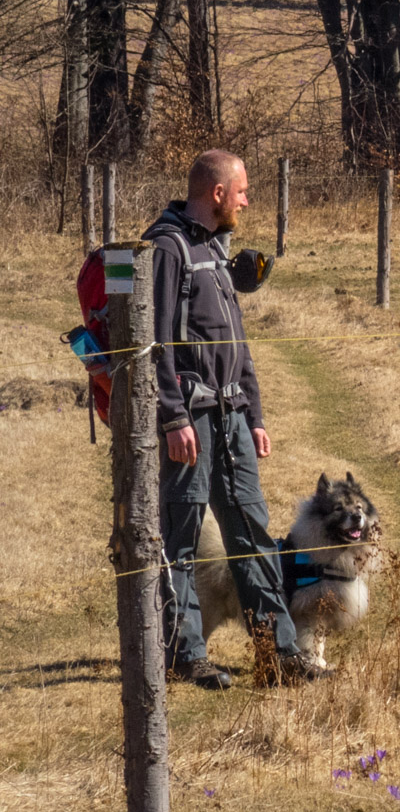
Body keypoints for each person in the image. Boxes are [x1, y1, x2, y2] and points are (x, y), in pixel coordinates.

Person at [144, 150, 322, 688]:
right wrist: (174, 418)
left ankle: (280, 652)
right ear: (217, 193)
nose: (247, 200)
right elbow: (155, 346)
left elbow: (236, 346)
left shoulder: (214, 249)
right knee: (181, 535)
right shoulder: (167, 248)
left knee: (252, 532)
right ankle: (184, 654)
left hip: (232, 418)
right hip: (191, 421)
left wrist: (254, 413)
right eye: (241, 191)